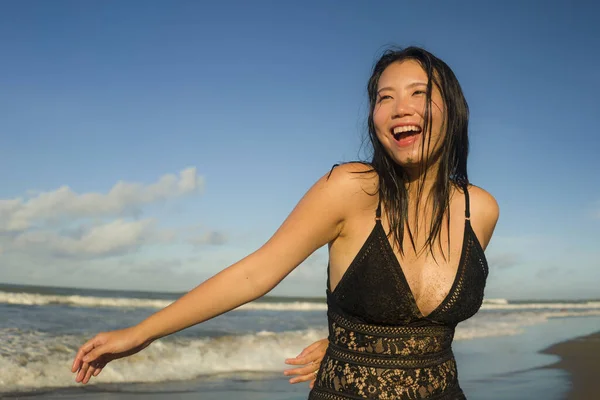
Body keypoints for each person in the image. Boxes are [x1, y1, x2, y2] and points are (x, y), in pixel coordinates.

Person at [71, 46, 499, 400]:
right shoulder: (351, 189)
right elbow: (257, 272)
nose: (399, 108)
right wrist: (141, 333)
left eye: (418, 92)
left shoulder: (479, 210)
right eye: (384, 97)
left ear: (452, 107)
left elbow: (426, 327)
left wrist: (349, 343)